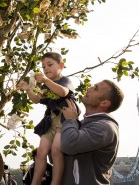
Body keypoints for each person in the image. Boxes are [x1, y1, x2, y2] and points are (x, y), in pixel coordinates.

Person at [17, 52, 79, 185]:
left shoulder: (65, 81)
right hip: (51, 119)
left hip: (65, 118)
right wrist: (29, 90)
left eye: (50, 65)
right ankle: (35, 182)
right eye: (43, 67)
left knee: (56, 149)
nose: (46, 69)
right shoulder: (45, 85)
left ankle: (55, 182)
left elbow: (63, 92)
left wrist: (45, 80)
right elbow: (37, 99)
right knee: (41, 151)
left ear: (61, 66)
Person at [61, 79, 124, 185]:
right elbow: (59, 155)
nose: (88, 88)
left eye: (95, 89)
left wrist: (70, 121)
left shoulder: (106, 128)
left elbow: (69, 145)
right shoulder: (79, 124)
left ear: (104, 103)